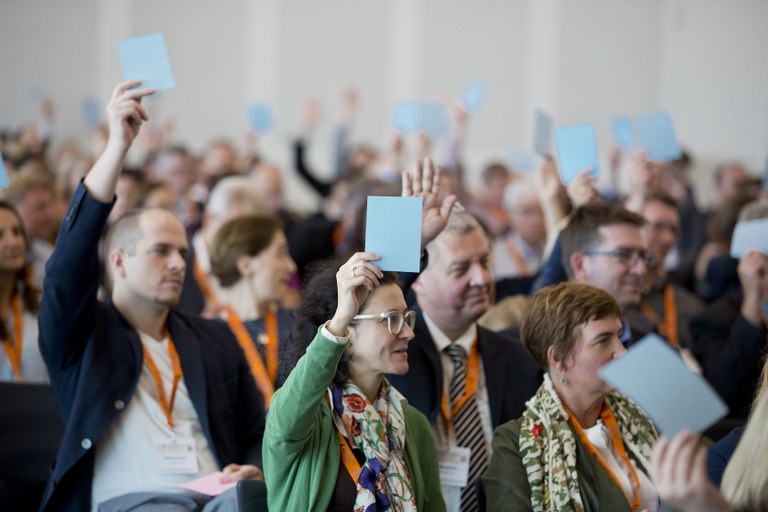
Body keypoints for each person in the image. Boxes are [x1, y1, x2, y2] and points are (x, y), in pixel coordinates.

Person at [38, 81, 266, 511]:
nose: (179, 264)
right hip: (129, 502)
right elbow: (67, 267)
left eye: (182, 251)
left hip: (215, 499)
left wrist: (253, 468)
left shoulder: (213, 338)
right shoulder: (82, 334)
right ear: (119, 262)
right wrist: (116, 149)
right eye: (161, 251)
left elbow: (256, 433)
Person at [389, 208, 541, 512]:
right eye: (461, 269)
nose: (482, 279)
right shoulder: (390, 356)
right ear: (418, 280)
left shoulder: (520, 358)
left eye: (485, 262)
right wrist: (404, 234)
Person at [483, 282, 660, 511]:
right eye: (603, 340)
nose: (622, 352)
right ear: (560, 359)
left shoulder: (638, 417)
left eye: (618, 335)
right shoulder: (515, 445)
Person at [209, 214, 298, 401]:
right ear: (246, 265)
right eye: (280, 254)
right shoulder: (210, 338)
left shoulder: (299, 324)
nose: (291, 267)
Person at [0, 201, 45, 383]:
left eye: (17, 232)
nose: (13, 242)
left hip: (37, 408)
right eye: (0, 235)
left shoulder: (39, 302)